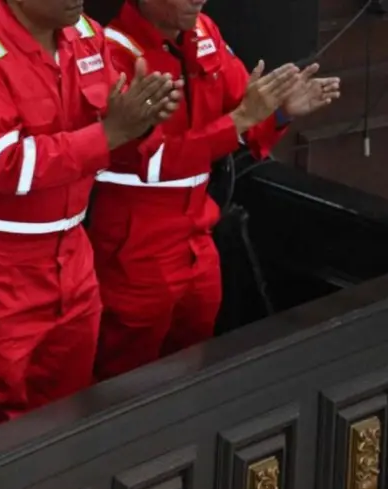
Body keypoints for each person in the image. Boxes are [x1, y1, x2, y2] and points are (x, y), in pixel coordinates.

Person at [0, 0, 181, 445]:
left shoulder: (86, 34)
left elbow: (112, 145)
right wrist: (113, 131)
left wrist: (142, 121)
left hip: (73, 260)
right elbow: (6, 166)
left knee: (67, 419)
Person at [89, 0, 339, 379]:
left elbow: (248, 117)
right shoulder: (112, 53)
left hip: (199, 239)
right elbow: (151, 160)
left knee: (196, 370)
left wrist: (281, 111)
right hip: (136, 250)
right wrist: (241, 119)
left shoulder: (206, 32)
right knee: (126, 384)